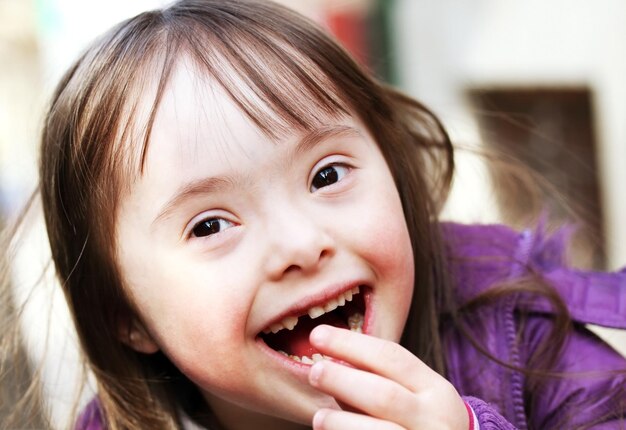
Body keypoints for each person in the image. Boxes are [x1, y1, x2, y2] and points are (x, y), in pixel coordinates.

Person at [2, 0, 625, 428]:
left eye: (326, 176)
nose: (302, 244)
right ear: (126, 315)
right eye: (211, 224)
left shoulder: (527, 339)